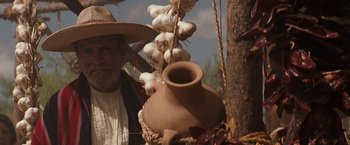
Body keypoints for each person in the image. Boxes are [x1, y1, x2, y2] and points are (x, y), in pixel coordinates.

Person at [31, 6, 157, 145]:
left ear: (121, 52)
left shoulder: (145, 100)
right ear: (78, 56)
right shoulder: (61, 106)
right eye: (87, 51)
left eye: (104, 49)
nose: (96, 60)